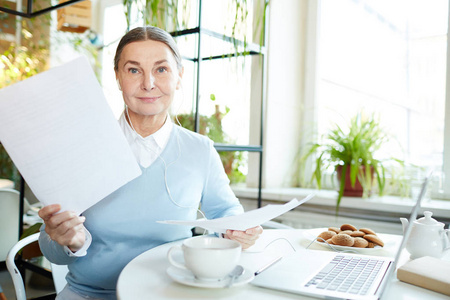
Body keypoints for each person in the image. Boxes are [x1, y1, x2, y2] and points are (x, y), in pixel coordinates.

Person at [38, 26, 263, 300]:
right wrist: (67, 242)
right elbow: (51, 248)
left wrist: (238, 232)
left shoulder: (199, 150)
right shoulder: (85, 148)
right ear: (118, 78)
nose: (148, 83)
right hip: (91, 295)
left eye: (161, 69)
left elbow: (227, 213)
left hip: (174, 293)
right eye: (133, 70)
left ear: (179, 76)